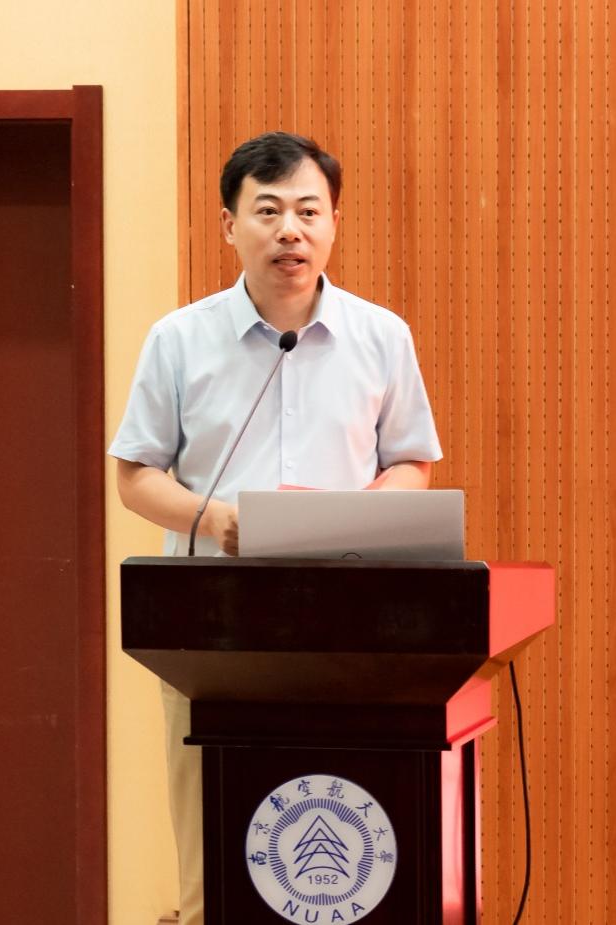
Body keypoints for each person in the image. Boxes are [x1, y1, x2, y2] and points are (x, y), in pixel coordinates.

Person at [108, 131, 442, 924]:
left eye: (307, 210)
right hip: (208, 624)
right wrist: (212, 518)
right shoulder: (178, 339)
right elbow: (135, 475)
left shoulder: (381, 336)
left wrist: (363, 514)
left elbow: (410, 460)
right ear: (229, 225)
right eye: (267, 211)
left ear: (333, 223)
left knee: (342, 817)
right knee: (215, 829)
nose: (290, 230)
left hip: (349, 621)